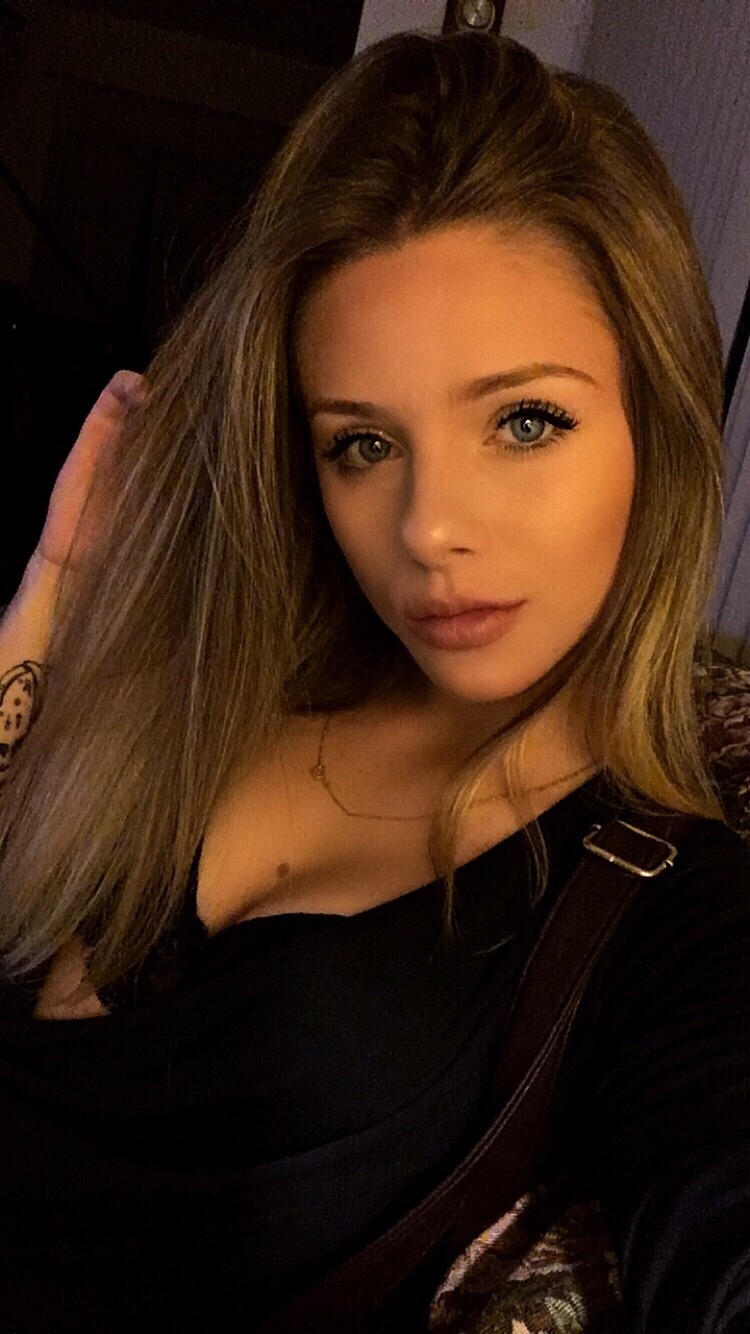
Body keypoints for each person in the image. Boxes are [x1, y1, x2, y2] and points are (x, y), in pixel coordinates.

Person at [0, 26, 748, 1333]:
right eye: (362, 443)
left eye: (524, 421)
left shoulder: (667, 917)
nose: (428, 528)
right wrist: (56, 594)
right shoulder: (232, 678)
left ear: (658, 425)